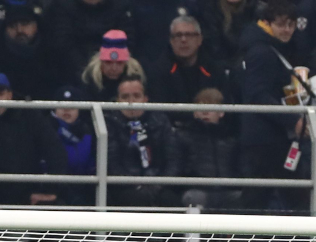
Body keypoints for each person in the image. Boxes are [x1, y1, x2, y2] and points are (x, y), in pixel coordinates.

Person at [0, 72, 69, 206]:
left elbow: (55, 152)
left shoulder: (30, 116)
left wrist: (50, 191)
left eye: (1, 93)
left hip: (28, 194)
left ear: (10, 95)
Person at [239, 0, 308, 211]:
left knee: (260, 198)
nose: (287, 30)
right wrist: (292, 119)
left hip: (269, 136)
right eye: (281, 24)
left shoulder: (270, 48)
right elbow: (258, 94)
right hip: (266, 139)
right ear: (267, 23)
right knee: (289, 196)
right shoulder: (262, 52)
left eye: (291, 24)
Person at [106, 76, 180, 208]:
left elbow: (173, 159)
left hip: (160, 185)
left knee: (171, 200)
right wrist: (137, 185)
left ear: (145, 99)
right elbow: (112, 164)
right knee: (135, 199)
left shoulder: (161, 121)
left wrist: (158, 185)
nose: (131, 102)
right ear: (117, 100)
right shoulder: (110, 124)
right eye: (125, 97)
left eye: (136, 96)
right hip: (124, 187)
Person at [176, 87, 242, 209]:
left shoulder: (231, 138)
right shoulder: (184, 136)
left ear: (221, 112)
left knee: (241, 197)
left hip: (228, 190)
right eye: (201, 107)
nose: (205, 112)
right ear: (194, 112)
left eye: (211, 107)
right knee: (193, 198)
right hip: (198, 190)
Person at [149, 15, 221, 112]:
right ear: (171, 41)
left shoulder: (215, 70)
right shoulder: (158, 72)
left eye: (189, 35)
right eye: (178, 35)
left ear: (199, 39)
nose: (183, 40)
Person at [0, 4, 61, 101]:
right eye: (13, 26)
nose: (19, 30)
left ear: (35, 25)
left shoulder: (52, 54)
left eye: (25, 24)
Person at [80, 29, 147, 102]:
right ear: (101, 62)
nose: (114, 68)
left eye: (119, 63)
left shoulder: (138, 80)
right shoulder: (89, 82)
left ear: (126, 63)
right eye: (108, 63)